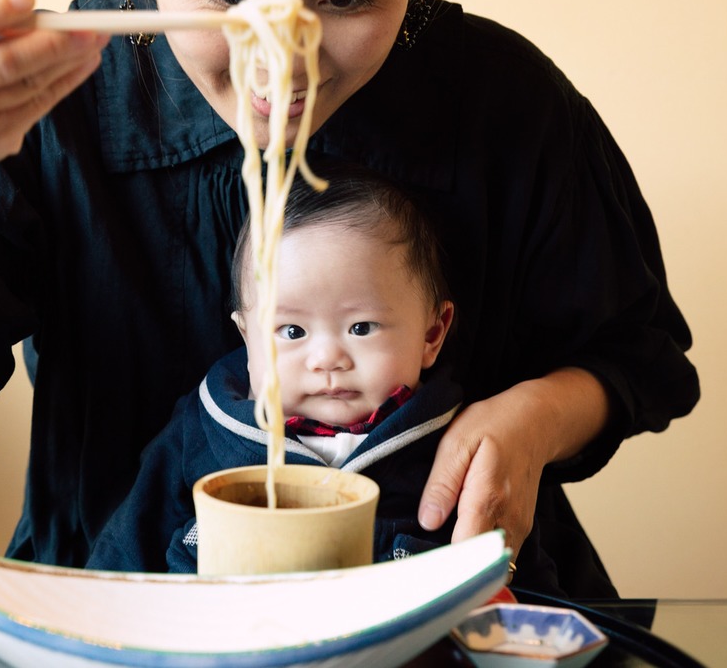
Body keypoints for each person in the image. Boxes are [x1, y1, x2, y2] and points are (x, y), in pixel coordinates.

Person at [0, 0, 699, 598]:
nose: (293, 55)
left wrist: (536, 416)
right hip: (119, 612)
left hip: (449, 607)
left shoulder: (501, 97)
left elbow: (635, 357)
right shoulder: (72, 86)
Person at [87, 164, 461, 572]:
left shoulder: (454, 446)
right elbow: (123, 554)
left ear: (431, 334)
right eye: (293, 330)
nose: (326, 359)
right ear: (248, 340)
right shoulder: (201, 432)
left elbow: (513, 569)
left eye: (361, 327)